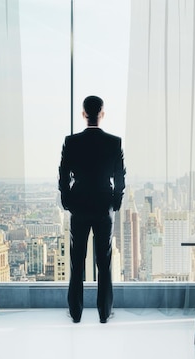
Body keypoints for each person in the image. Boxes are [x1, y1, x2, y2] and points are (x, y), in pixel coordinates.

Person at [58, 95, 126, 323]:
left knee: (77, 261)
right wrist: (115, 203)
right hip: (103, 206)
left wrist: (67, 200)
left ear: (83, 113)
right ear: (102, 113)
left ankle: (75, 313)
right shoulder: (114, 142)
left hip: (79, 206)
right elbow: (120, 177)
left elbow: (63, 175)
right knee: (103, 261)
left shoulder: (71, 141)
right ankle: (104, 313)